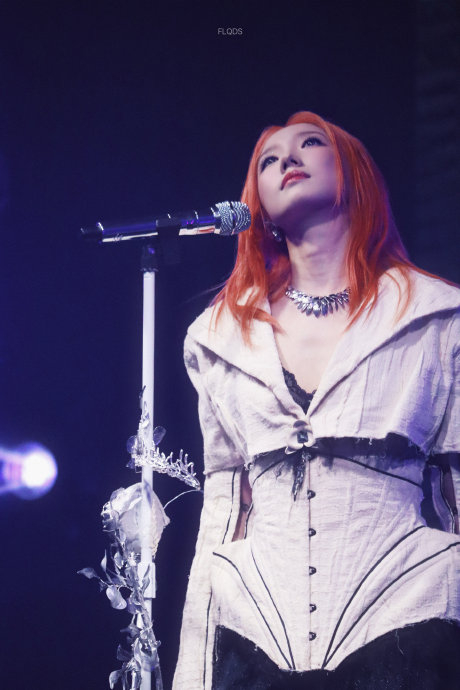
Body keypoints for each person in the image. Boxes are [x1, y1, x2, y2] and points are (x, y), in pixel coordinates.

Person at [173, 111, 460, 689]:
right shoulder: (219, 338)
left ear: (354, 173)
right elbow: (225, 508)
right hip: (254, 630)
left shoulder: (435, 318)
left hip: (406, 617)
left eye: (310, 143)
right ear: (256, 203)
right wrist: (192, 673)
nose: (287, 158)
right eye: (267, 160)